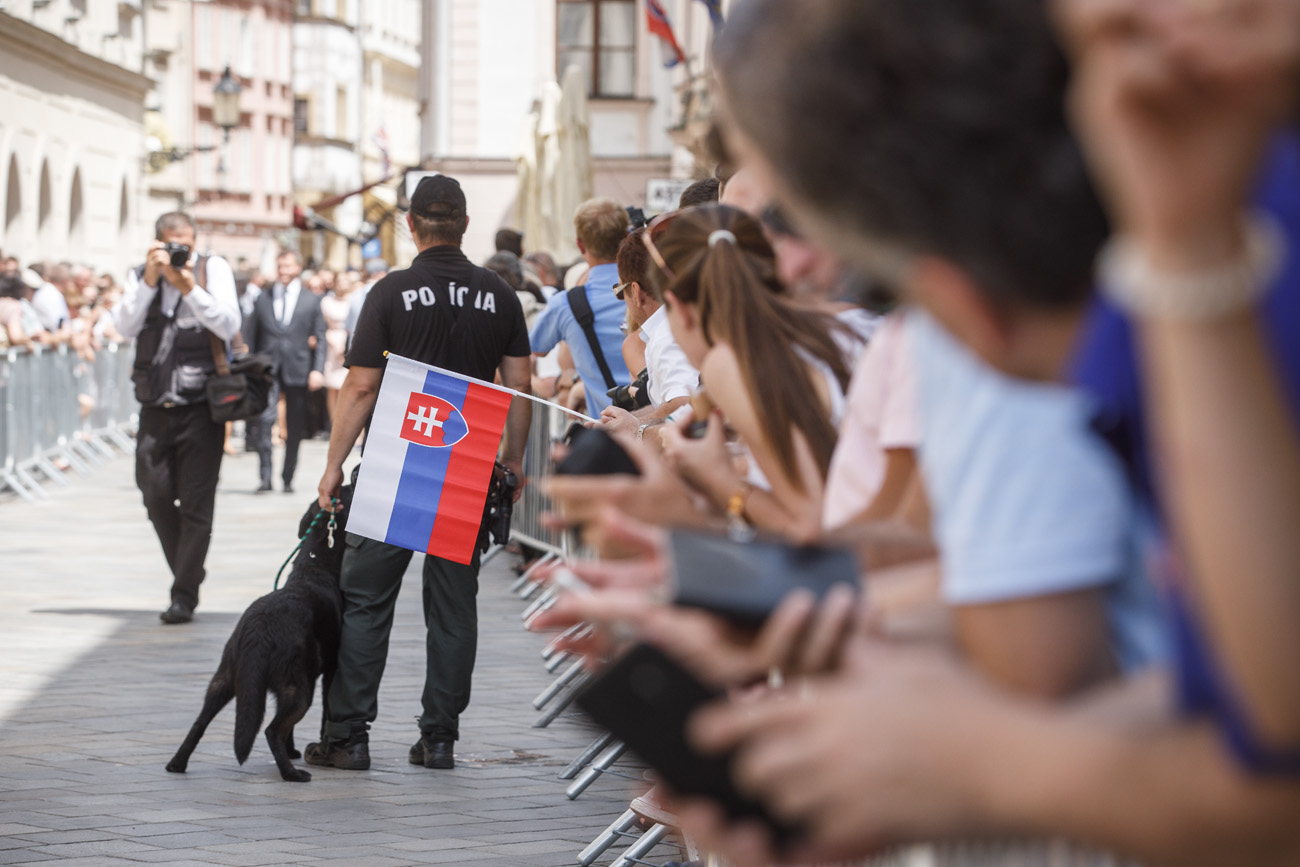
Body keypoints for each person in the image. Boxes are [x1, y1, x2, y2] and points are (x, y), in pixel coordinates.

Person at [308, 174, 533, 771]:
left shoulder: (390, 291)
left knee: (366, 601)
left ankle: (348, 736)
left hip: (394, 460)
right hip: (464, 462)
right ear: (463, 225)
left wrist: (332, 465)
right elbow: (522, 387)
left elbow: (361, 385)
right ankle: (439, 738)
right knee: (453, 608)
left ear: (411, 226)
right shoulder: (500, 294)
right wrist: (512, 460)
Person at [115, 212, 241, 624]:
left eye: (184, 242)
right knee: (153, 494)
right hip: (155, 403)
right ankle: (190, 568)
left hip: (202, 406)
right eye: (171, 243)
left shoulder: (211, 268)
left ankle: (183, 594)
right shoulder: (142, 275)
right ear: (156, 243)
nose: (178, 251)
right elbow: (124, 326)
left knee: (196, 503)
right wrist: (151, 280)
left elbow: (227, 323)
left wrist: (190, 288)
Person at [530, 198, 632, 415]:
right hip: (661, 424)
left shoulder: (565, 304)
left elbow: (536, 348)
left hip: (606, 430)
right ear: (626, 237)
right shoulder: (649, 292)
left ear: (580, 245)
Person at [599, 227, 697, 435]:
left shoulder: (668, 333)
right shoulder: (676, 324)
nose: (622, 299)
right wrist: (629, 422)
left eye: (620, 291)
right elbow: (671, 404)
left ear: (635, 291)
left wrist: (635, 428)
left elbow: (682, 404)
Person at [243, 250, 326, 494]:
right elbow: (252, 336)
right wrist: (253, 367)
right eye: (280, 266)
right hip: (268, 370)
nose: (283, 271)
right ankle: (265, 478)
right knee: (265, 420)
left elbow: (320, 337)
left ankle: (288, 477)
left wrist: (317, 370)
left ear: (298, 268)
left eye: (288, 266)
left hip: (298, 368)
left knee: (295, 424)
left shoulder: (311, 300)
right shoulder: (263, 298)